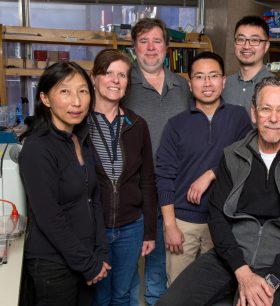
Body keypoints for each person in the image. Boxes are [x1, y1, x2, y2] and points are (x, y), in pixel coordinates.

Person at [156, 76, 280, 306]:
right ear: (254, 114)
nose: (273, 119)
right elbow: (217, 218)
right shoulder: (232, 155)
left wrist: (272, 279)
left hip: (277, 265)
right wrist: (242, 272)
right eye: (265, 109)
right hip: (229, 257)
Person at [156, 51, 252, 286]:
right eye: (199, 77)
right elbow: (164, 175)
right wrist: (170, 226)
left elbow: (248, 158)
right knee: (178, 292)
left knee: (217, 291)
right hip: (183, 223)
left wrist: (211, 174)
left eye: (213, 76)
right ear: (190, 84)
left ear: (224, 80)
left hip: (225, 222)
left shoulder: (239, 117)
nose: (207, 83)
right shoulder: (176, 125)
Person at [18, 62, 110, 306]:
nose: (77, 102)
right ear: (45, 99)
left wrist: (100, 252)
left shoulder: (79, 139)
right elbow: (50, 218)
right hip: (53, 266)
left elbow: (95, 200)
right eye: (65, 91)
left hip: (85, 259)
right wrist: (89, 264)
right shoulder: (37, 148)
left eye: (83, 91)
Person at [121, 18, 192, 305]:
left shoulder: (183, 86)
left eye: (157, 41)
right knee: (129, 267)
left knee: (165, 263)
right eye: (143, 41)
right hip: (134, 189)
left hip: (175, 188)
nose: (151, 48)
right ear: (133, 47)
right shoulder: (123, 83)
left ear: (167, 46)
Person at [88, 49, 157, 306]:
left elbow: (147, 181)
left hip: (131, 227)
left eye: (122, 75)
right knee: (99, 296)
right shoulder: (80, 123)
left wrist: (149, 231)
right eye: (108, 73)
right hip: (94, 229)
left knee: (123, 295)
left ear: (128, 83)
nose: (115, 80)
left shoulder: (136, 124)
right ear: (94, 78)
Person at [221, 15, 274, 112]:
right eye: (241, 39)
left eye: (254, 40)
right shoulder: (223, 85)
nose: (246, 46)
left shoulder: (277, 87)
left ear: (266, 46)